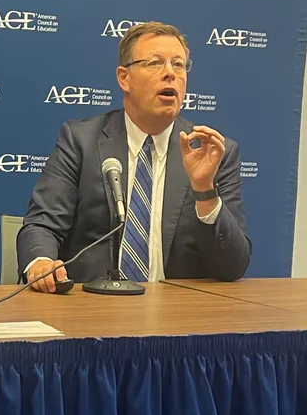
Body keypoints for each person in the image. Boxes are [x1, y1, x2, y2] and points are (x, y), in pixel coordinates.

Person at [17, 21, 251, 291]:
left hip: (179, 316)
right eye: (155, 63)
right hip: (93, 303)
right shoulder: (81, 140)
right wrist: (42, 262)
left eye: (178, 64)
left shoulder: (212, 152)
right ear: (124, 78)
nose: (170, 74)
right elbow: (42, 224)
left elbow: (233, 267)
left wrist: (204, 192)